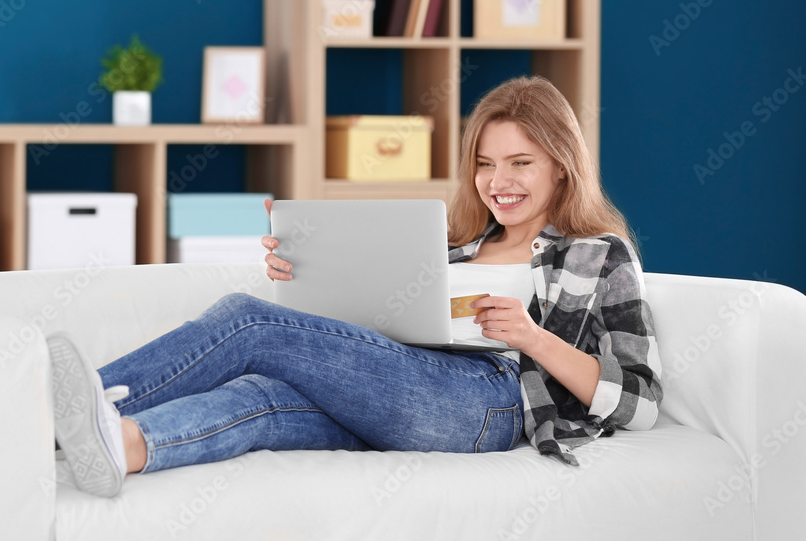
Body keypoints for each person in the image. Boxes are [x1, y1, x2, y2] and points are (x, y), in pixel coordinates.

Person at [47, 75, 663, 497]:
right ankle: (122, 446)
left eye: (520, 163)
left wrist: (533, 338)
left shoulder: (598, 254)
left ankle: (59, 411)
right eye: (485, 163)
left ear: (562, 164)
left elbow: (640, 403)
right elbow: (376, 332)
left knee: (248, 319)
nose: (498, 181)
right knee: (263, 397)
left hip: (489, 403)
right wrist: (306, 276)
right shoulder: (451, 246)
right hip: (406, 387)